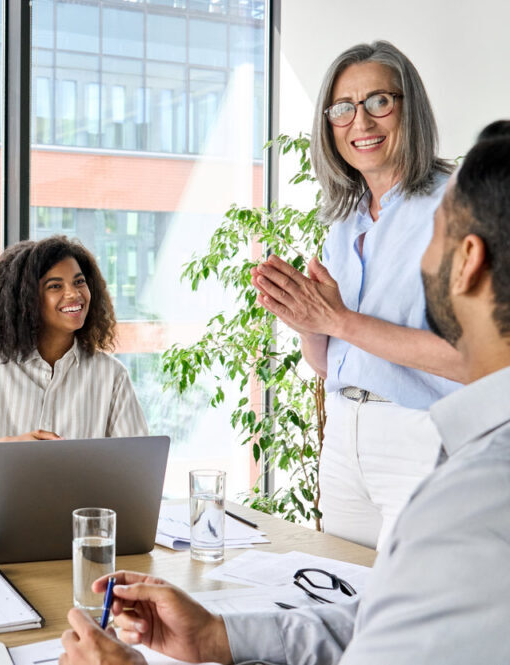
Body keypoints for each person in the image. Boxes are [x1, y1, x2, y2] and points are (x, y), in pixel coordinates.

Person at [58, 130, 510, 665]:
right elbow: (386, 618)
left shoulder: (474, 498)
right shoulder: (476, 473)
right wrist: (217, 637)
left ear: (468, 260)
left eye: (432, 231)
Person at [250, 41, 462, 549]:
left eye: (379, 102)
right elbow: (333, 365)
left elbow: (476, 360)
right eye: (343, 108)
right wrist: (309, 325)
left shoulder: (459, 205)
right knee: (342, 588)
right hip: (345, 436)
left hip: (423, 436)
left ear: (410, 108)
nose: (360, 122)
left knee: (411, 597)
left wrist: (338, 320)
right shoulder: (344, 220)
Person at [0, 235, 148, 498]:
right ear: (27, 299)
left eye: (79, 282)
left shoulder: (112, 375)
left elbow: (139, 466)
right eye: (55, 286)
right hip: (2, 512)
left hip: (82, 515)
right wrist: (0, 451)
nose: (74, 294)